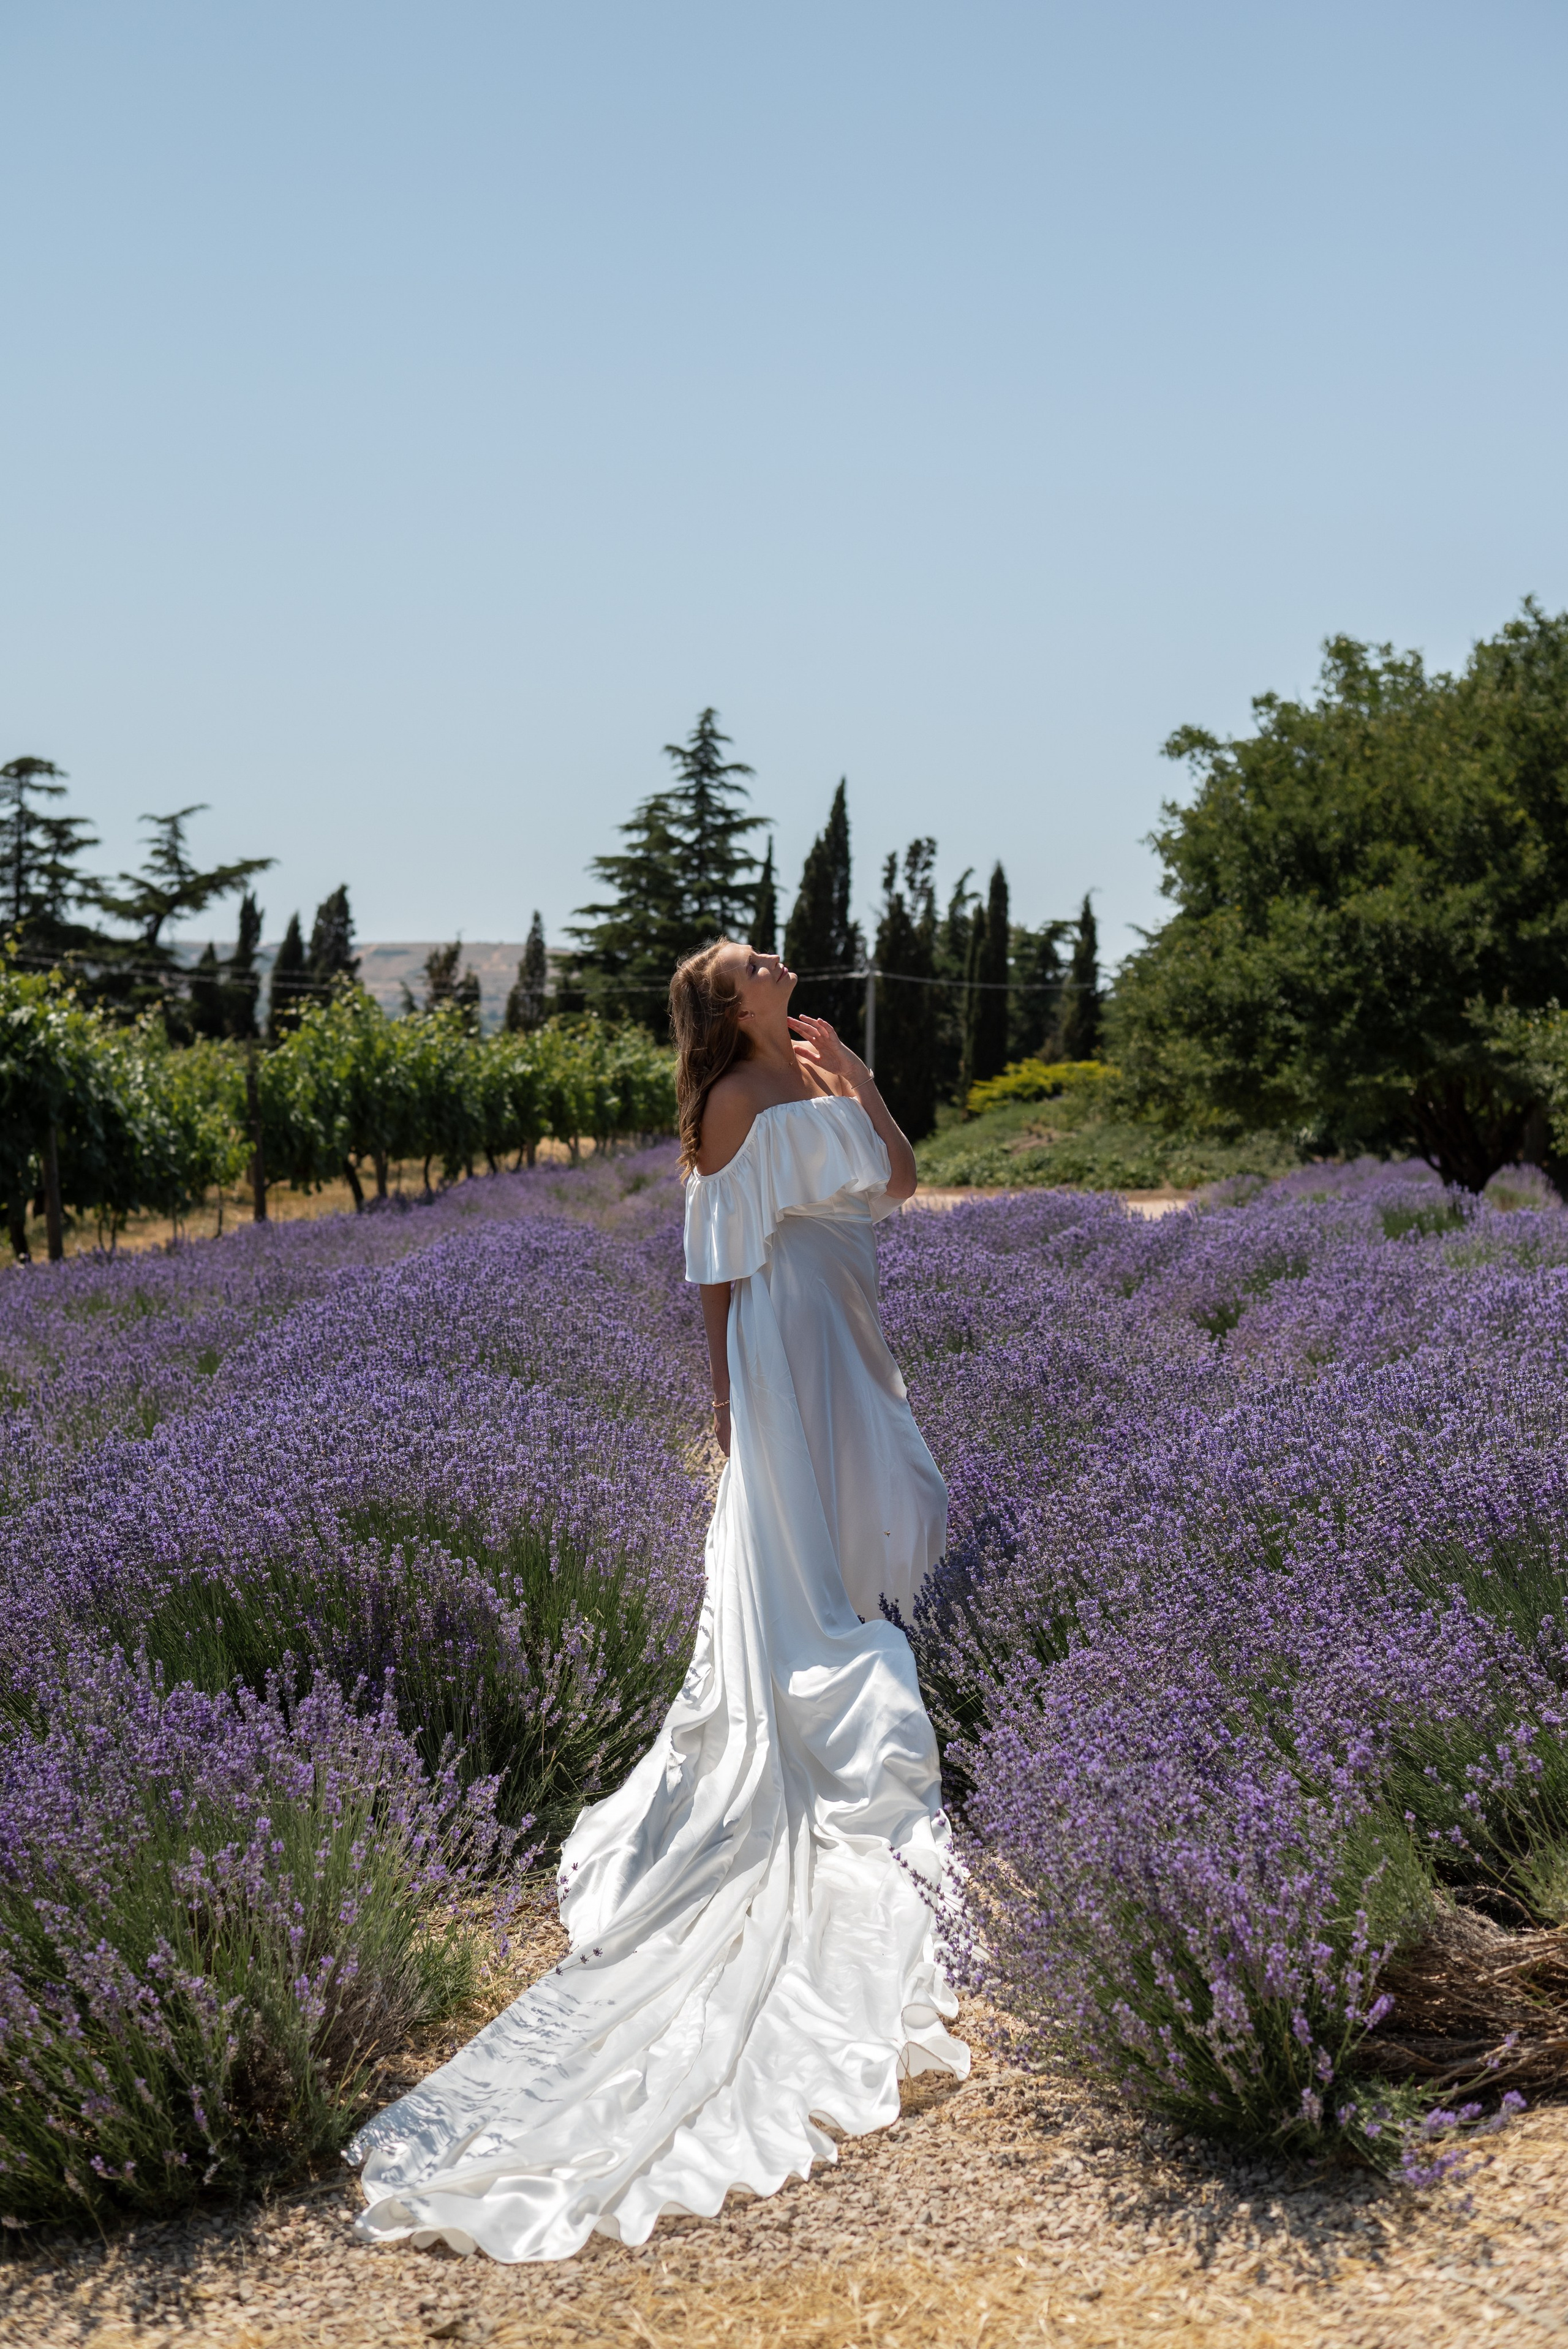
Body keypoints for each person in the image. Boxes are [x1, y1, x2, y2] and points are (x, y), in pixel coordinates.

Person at [349, 939, 968, 2263]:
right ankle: (832, 1685)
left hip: (846, 1330)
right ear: (722, 1002)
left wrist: (856, 1074)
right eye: (758, 961)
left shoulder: (806, 1067)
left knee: (863, 1527)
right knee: (799, 1553)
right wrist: (722, 1401)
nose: (781, 961)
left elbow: (900, 1182)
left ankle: (858, 1632)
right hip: (783, 1338)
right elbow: (713, 1272)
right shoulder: (730, 1103)